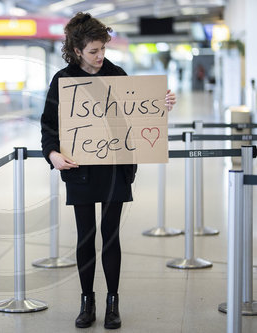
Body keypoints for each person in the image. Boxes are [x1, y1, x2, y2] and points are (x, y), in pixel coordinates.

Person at [40, 12, 176, 330]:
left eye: (103, 49)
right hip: (79, 169)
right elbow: (48, 124)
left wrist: (161, 106)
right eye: (93, 51)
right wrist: (52, 153)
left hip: (115, 168)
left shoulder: (118, 75)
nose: (100, 56)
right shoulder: (62, 80)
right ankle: (87, 302)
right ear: (76, 50)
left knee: (110, 235)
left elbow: (137, 116)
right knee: (85, 236)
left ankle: (113, 303)